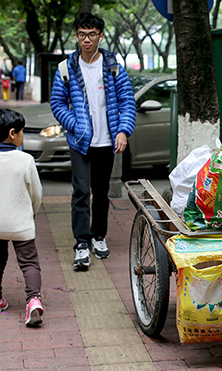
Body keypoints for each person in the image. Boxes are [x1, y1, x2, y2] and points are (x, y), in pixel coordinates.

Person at [50, 12, 136, 270]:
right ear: (76, 36)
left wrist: (123, 131)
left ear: (100, 36)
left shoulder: (113, 67)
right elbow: (57, 103)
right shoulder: (66, 68)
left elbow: (127, 101)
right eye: (82, 34)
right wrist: (75, 125)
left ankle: (98, 235)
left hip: (106, 142)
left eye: (91, 34)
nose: (86, 40)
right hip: (80, 142)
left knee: (101, 193)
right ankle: (81, 243)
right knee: (80, 191)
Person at [0, 109, 44, 326]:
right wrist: (32, 212)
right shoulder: (25, 160)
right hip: (21, 224)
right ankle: (33, 300)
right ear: (12, 133)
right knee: (29, 263)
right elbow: (36, 193)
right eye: (22, 131)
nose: (23, 135)